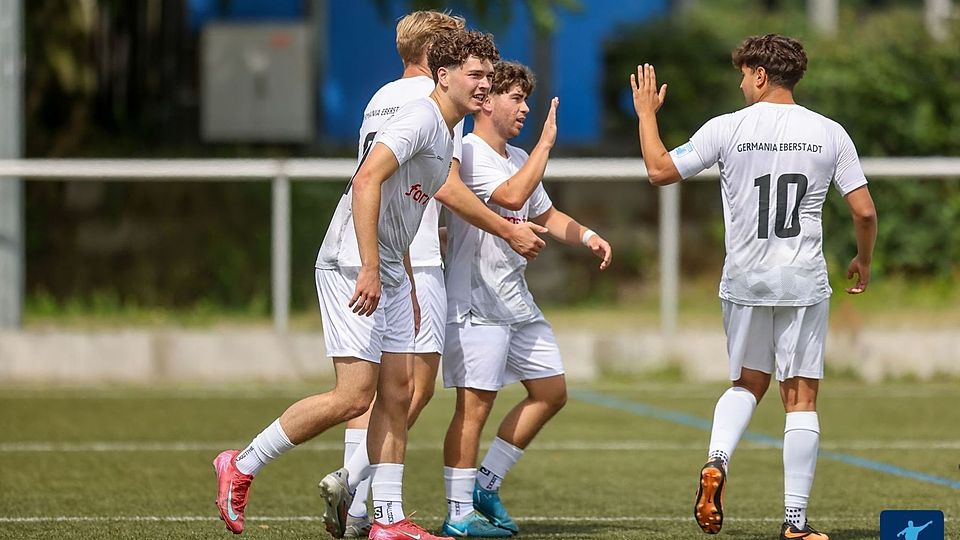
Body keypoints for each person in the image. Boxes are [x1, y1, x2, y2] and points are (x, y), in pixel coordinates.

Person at [213, 29, 544, 540]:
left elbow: (408, 213)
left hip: (390, 267)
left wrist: (404, 280)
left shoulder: (445, 131)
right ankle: (241, 462)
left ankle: (387, 520)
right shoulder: (419, 119)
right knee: (354, 396)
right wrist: (371, 267)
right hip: (351, 262)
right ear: (444, 75)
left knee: (399, 391)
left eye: (487, 76)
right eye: (474, 75)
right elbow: (366, 181)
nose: (483, 86)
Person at [629, 34, 877, 540]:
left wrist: (647, 114)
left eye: (744, 74)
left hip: (744, 280)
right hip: (802, 281)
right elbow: (865, 210)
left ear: (761, 75)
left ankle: (717, 459)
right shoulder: (829, 132)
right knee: (801, 399)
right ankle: (794, 523)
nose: (741, 82)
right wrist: (864, 259)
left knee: (746, 384)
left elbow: (659, 171)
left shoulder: (728, 128)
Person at [440, 61, 612, 537]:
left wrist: (588, 235)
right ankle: (457, 515)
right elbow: (513, 198)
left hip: (514, 300)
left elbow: (546, 211)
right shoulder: (469, 153)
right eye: (516, 98)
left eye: (526, 99)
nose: (525, 108)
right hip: (475, 299)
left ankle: (485, 485)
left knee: (551, 391)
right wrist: (546, 144)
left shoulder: (517, 156)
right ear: (486, 100)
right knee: (474, 407)